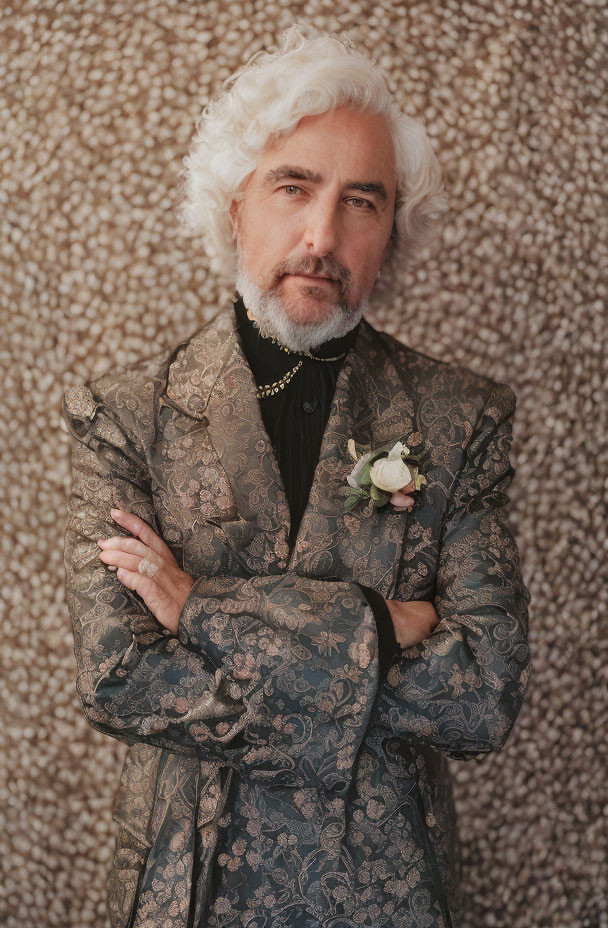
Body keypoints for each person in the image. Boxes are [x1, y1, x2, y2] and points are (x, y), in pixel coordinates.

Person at [62, 26, 531, 928]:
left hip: (386, 893)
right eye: (293, 186)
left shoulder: (462, 418)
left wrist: (201, 609)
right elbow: (117, 673)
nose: (323, 235)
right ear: (235, 202)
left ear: (392, 232)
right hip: (188, 886)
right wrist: (379, 628)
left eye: (363, 201)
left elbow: (483, 694)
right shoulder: (127, 417)